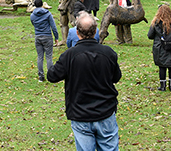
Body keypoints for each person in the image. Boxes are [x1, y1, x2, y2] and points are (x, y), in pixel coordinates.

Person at [48, 13, 122, 151]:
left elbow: (51, 75)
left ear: (77, 32)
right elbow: (116, 77)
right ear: (95, 32)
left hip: (83, 113)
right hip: (101, 112)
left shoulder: (70, 55)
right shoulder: (108, 53)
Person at [147, 5, 171, 91]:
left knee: (162, 66)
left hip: (160, 47)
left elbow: (150, 35)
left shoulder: (156, 23)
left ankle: (162, 86)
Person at [29, 0, 59, 82]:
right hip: (47, 37)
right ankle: (50, 76)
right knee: (49, 57)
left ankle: (41, 76)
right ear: (42, 4)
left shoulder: (32, 15)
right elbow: (53, 27)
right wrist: (56, 37)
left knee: (40, 57)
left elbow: (33, 24)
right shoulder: (48, 14)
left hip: (38, 37)